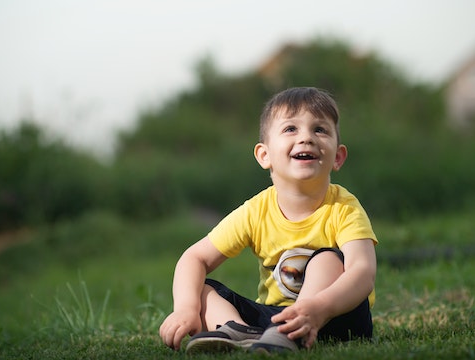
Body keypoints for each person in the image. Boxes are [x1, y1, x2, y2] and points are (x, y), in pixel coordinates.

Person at [158, 87, 378, 353]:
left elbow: (362, 271)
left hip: (336, 317)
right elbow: (195, 258)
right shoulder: (256, 211)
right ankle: (237, 331)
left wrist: (320, 308)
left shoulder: (343, 208)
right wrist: (185, 308)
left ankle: (294, 329)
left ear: (338, 157)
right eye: (290, 129)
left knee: (327, 258)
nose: (307, 138)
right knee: (203, 289)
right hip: (271, 322)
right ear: (265, 155)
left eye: (320, 129)